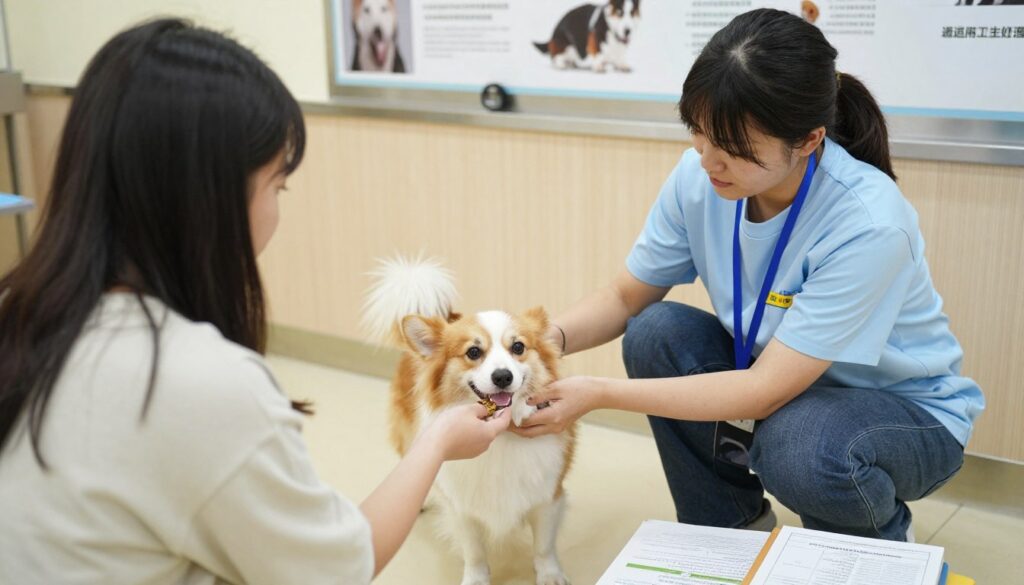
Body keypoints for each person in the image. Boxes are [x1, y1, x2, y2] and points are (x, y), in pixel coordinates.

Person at [0, 19, 509, 584]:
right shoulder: (199, 382)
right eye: (277, 185)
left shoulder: (18, 313)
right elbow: (335, 566)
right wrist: (435, 440)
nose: (277, 210)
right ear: (210, 200)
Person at [514, 8, 983, 542]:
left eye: (734, 150)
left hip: (902, 414)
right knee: (655, 331)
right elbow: (624, 297)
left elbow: (763, 393)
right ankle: (732, 532)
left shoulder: (869, 222)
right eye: (699, 133)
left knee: (800, 443)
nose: (708, 161)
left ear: (807, 141)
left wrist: (598, 393)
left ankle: (878, 551)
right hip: (783, 389)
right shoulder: (700, 177)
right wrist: (537, 347)